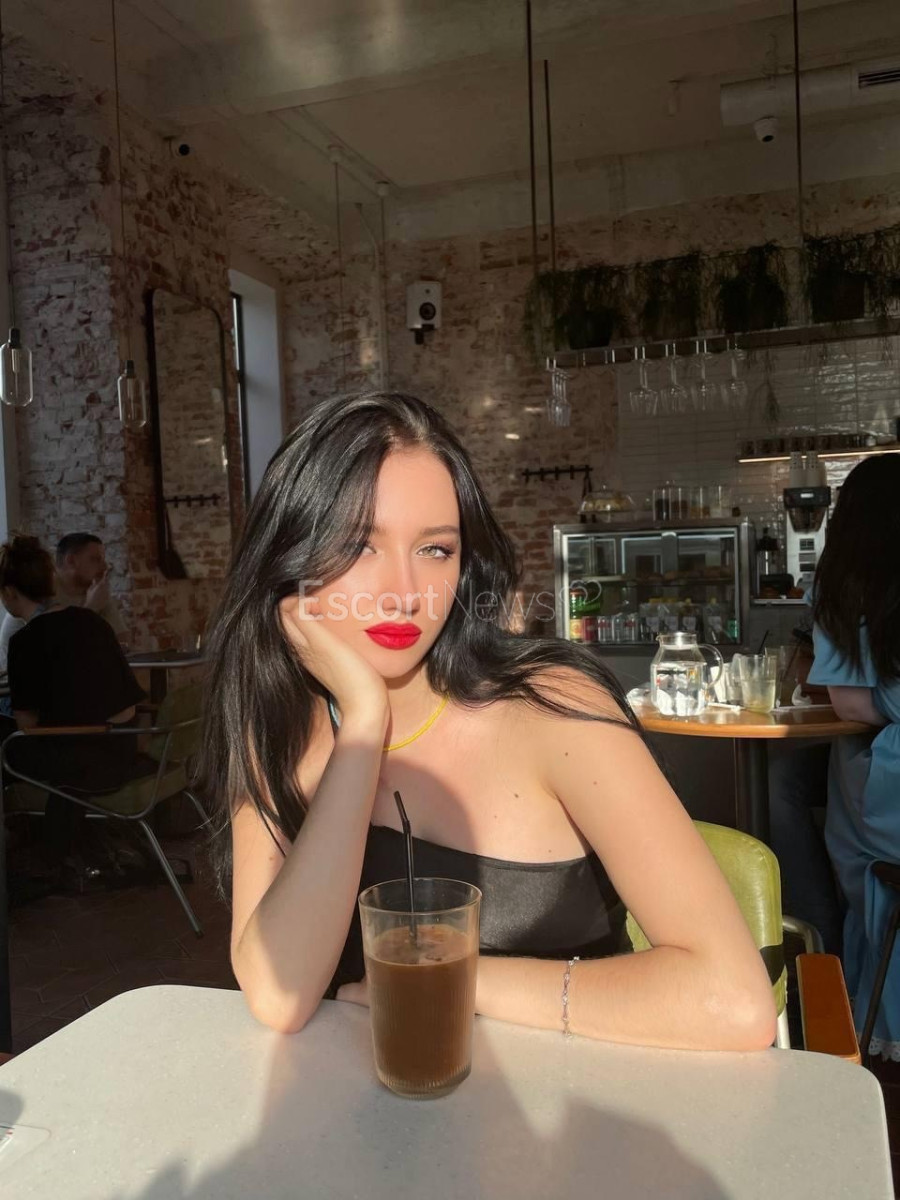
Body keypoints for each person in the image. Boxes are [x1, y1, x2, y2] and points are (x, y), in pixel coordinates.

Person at [198, 392, 775, 1051]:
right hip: (360, 1103)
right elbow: (281, 994)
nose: (405, 594)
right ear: (290, 557)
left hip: (564, 1101)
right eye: (358, 546)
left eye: (435, 550)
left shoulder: (555, 709)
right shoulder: (278, 723)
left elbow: (733, 1002)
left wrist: (453, 980)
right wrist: (362, 723)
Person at [809, 455, 900, 1060]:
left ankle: (845, 1009)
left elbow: (850, 705)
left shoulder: (844, 584)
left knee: (859, 863)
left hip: (887, 782)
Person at [0, 535, 145, 878]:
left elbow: (27, 728)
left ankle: (23, 852)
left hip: (87, 764)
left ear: (9, 592)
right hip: (125, 749)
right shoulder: (92, 620)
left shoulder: (24, 641)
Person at [0, 531, 126, 671]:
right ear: (71, 560)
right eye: (95, 559)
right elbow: (60, 656)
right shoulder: (40, 597)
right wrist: (90, 610)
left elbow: (122, 645)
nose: (105, 567)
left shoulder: (97, 591)